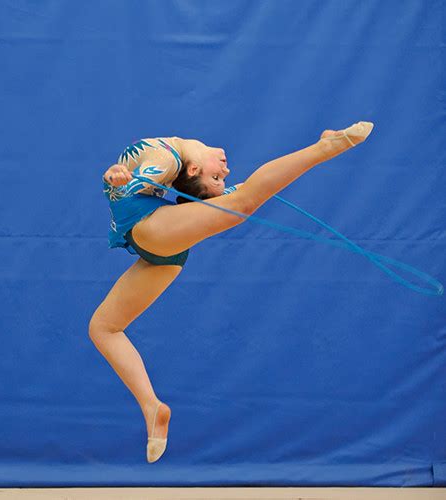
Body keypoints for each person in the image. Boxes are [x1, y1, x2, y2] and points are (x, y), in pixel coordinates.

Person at [89, 122, 374, 462]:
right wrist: (116, 176)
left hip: (152, 228)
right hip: (160, 238)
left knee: (242, 201)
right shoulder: (172, 162)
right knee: (104, 328)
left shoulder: (167, 162)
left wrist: (116, 176)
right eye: (220, 177)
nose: (225, 168)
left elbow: (130, 178)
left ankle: (327, 147)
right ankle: (152, 408)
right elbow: (125, 178)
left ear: (192, 170)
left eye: (216, 177)